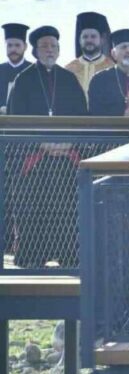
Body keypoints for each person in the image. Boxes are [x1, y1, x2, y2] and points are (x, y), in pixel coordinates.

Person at [6, 26, 88, 267]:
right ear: (35, 51)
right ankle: (33, 257)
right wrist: (42, 143)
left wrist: (68, 142)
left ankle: (69, 256)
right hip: (35, 158)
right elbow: (16, 118)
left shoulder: (69, 79)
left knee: (68, 208)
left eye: (53, 46)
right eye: (44, 46)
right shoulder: (23, 80)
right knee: (34, 209)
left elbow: (82, 116)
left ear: (59, 50)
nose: (49, 50)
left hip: (66, 157)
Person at [64, 11, 113, 94]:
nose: (89, 40)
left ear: (102, 40)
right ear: (79, 40)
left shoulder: (112, 68)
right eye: (85, 37)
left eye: (93, 36)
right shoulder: (69, 70)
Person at [0, 23, 30, 111]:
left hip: (27, 118)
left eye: (17, 45)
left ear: (25, 46)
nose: (13, 49)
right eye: (9, 45)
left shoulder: (34, 71)